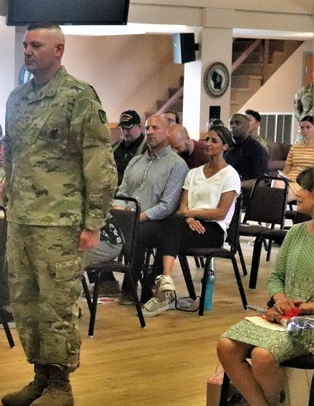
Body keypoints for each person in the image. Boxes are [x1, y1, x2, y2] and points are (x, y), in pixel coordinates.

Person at [0, 23, 116, 406]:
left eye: (36, 45)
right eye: (26, 45)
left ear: (59, 50)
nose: (28, 51)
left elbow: (99, 163)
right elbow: (12, 156)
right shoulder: (16, 99)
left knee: (57, 304)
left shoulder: (78, 97)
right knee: (25, 301)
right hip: (22, 219)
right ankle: (40, 374)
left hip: (61, 221)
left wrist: (93, 221)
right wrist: (8, 200)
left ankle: (61, 382)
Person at [216, 166, 314, 406]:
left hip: (307, 320)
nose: (296, 193)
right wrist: (280, 297)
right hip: (284, 313)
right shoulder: (296, 232)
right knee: (226, 346)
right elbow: (276, 277)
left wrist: (300, 307)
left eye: (303, 189)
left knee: (262, 355)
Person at [142, 126, 242, 317]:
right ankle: (165, 287)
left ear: (225, 146)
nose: (208, 144)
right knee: (168, 227)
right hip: (188, 224)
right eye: (207, 139)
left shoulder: (230, 175)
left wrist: (191, 214)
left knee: (169, 231)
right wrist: (188, 217)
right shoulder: (194, 173)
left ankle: (163, 290)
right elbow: (182, 209)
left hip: (214, 230)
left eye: (214, 141)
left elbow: (221, 212)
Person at [113, 114, 189, 304]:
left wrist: (136, 218)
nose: (150, 132)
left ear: (168, 132)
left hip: (157, 223)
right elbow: (122, 193)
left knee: (136, 233)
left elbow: (167, 206)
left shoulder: (177, 165)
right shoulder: (135, 162)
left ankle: (130, 289)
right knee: (98, 230)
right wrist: (118, 212)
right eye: (147, 128)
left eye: (155, 128)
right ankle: (105, 280)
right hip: (128, 217)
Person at [225, 112, 269, 190]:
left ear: (247, 126)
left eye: (237, 123)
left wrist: (237, 185)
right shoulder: (225, 147)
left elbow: (262, 181)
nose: (233, 126)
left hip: (244, 192)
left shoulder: (256, 149)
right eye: (231, 123)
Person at [282, 115, 314, 201]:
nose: (304, 130)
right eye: (302, 128)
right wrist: (282, 175)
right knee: (277, 183)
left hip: (307, 182)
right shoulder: (295, 147)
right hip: (290, 179)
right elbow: (288, 165)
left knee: (281, 195)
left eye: (308, 127)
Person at [113, 110, 146, 183]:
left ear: (139, 126)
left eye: (128, 128)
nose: (124, 132)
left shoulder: (147, 149)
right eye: (122, 128)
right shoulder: (114, 148)